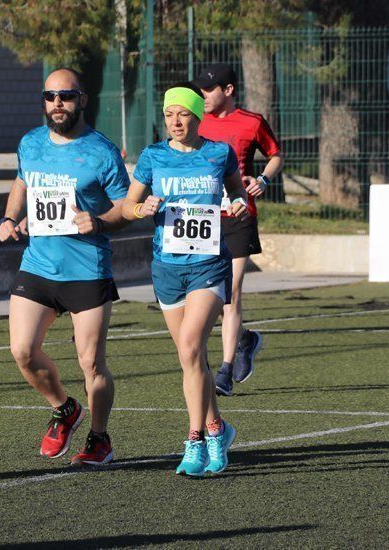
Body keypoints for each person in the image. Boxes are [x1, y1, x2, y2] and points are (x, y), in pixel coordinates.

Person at [0, 68, 130, 466]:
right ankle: (64, 408)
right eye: (51, 97)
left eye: (66, 96)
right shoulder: (30, 143)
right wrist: (10, 217)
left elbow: (127, 206)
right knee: (22, 350)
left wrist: (102, 221)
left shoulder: (101, 151)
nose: (58, 104)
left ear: (82, 100)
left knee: (91, 363)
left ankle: (99, 438)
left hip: (87, 269)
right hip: (38, 265)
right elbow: (23, 181)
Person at [121, 82, 249, 476]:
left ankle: (197, 441)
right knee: (191, 359)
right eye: (169, 115)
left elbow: (238, 194)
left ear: (198, 116)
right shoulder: (153, 156)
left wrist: (240, 205)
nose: (176, 121)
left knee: (192, 347)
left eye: (184, 114)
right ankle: (218, 426)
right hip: (167, 268)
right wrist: (144, 208)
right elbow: (127, 206)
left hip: (208, 265)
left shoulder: (218, 153)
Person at [193, 63, 284, 396]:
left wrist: (262, 179)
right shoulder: (193, 122)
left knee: (229, 296)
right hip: (201, 220)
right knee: (211, 300)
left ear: (228, 90)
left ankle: (225, 371)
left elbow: (275, 155)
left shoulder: (252, 122)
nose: (202, 95)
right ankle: (246, 340)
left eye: (209, 89)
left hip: (238, 217)